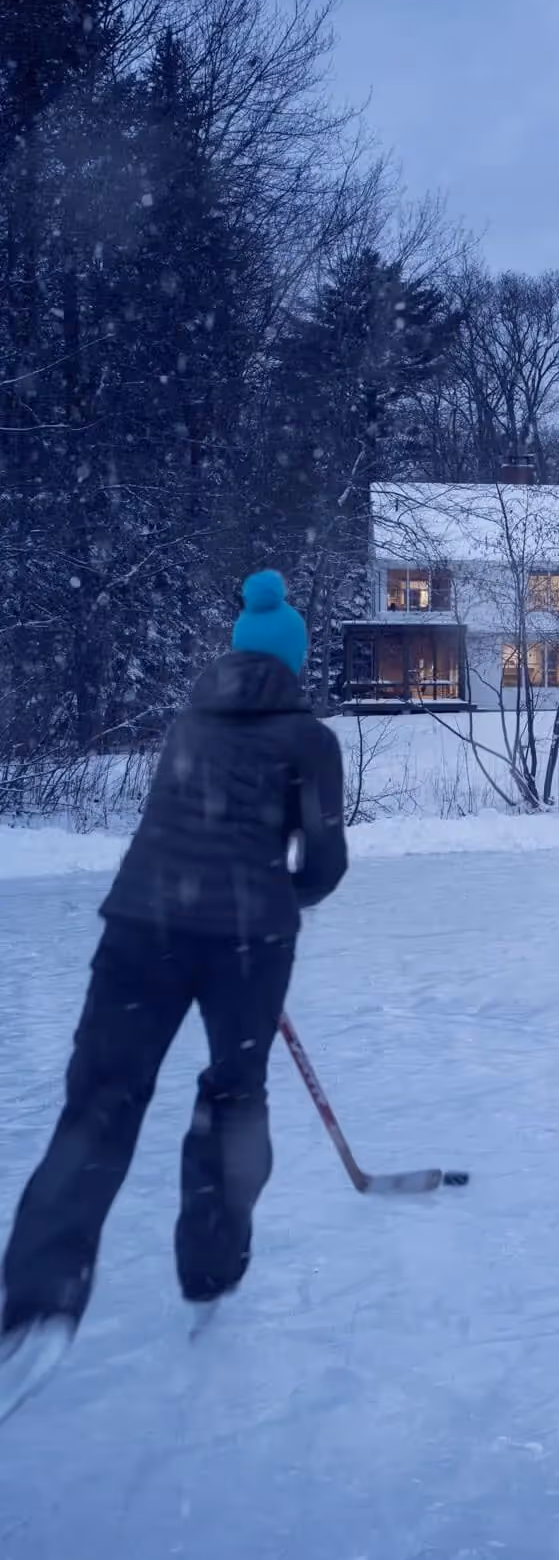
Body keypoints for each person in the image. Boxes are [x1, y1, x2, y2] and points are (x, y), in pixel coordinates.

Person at [0, 571, 348, 1421]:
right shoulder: (310, 738)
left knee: (99, 1105)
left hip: (141, 925)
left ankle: (37, 1304)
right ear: (295, 663)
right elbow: (325, 865)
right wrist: (274, 894)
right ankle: (211, 1272)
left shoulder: (188, 719)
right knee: (233, 1101)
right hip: (248, 943)